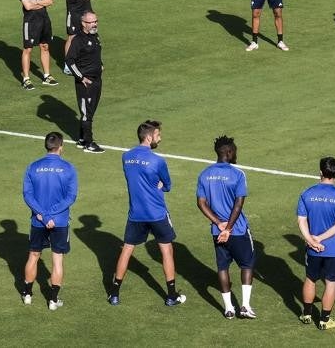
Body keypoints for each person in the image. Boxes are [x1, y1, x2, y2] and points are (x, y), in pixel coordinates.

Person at [109, 120, 185, 307]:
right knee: (166, 250)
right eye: (158, 135)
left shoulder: (126, 157)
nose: (160, 138)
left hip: (136, 213)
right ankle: (171, 295)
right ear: (149, 137)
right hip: (157, 213)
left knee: (127, 250)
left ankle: (115, 294)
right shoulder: (157, 160)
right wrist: (159, 185)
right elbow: (167, 185)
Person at [196, 135, 256, 319]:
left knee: (223, 267)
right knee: (247, 264)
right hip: (236, 230)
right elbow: (238, 205)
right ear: (229, 152)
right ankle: (244, 306)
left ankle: (228, 309)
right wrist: (228, 228)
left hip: (217, 232)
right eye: (234, 150)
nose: (236, 153)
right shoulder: (237, 174)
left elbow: (201, 203)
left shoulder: (205, 174)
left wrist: (218, 224)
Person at [21, 131, 78, 310]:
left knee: (33, 255)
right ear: (61, 146)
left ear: (46, 145)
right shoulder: (68, 168)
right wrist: (52, 215)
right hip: (59, 221)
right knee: (57, 259)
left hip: (38, 220)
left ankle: (28, 294)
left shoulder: (33, 167)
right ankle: (53, 300)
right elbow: (71, 197)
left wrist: (43, 215)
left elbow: (27, 195)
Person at [297, 156, 335, 331]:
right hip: (334, 248)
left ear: (320, 172)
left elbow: (301, 221)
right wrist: (320, 239)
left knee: (311, 279)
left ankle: (306, 314)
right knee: (331, 283)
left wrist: (310, 239)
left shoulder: (306, 193)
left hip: (312, 249)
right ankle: (324, 320)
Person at [64, 11, 104, 153]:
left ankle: (81, 138)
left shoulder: (95, 36)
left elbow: (95, 54)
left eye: (95, 21)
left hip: (97, 80)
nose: (94, 24)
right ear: (83, 24)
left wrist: (101, 64)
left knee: (90, 110)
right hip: (86, 82)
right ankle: (89, 143)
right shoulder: (78, 40)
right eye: (91, 22)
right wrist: (81, 77)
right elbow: (69, 60)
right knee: (87, 112)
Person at [19, 0, 59, 91]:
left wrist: (35, 1)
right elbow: (27, 6)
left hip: (44, 20)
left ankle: (47, 76)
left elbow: (50, 1)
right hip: (30, 22)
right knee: (28, 49)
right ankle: (26, 78)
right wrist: (41, 1)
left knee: (45, 46)